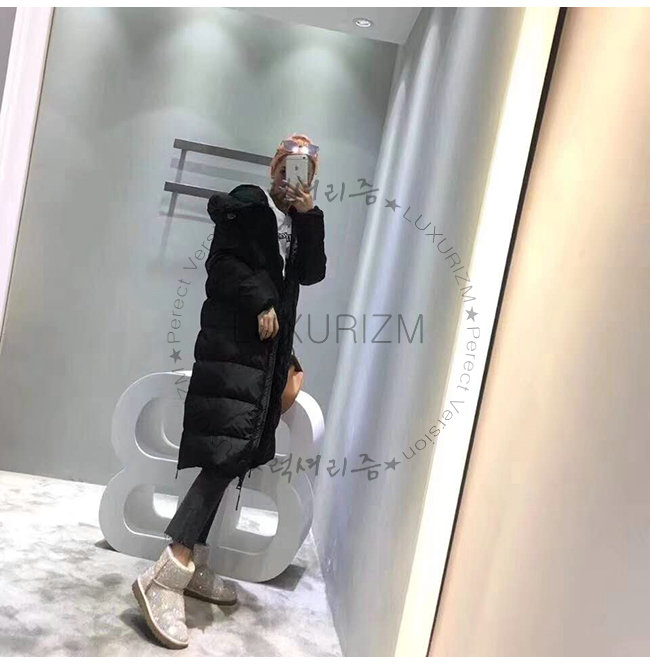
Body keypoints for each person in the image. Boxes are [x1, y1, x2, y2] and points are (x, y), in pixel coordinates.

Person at [131, 134, 326, 649]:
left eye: (304, 172)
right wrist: (262, 300)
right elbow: (222, 268)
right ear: (273, 167)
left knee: (236, 456)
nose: (291, 179)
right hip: (234, 351)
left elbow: (312, 274)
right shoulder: (248, 206)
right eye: (286, 167)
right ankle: (168, 572)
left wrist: (309, 215)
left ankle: (192, 559)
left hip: (265, 359)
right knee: (224, 457)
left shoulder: (298, 222)